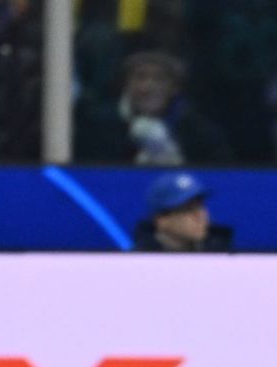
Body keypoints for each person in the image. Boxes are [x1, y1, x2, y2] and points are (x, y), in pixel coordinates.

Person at [75, 50, 233, 166]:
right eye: (140, 77)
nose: (147, 87)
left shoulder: (198, 131)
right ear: (126, 83)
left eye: (159, 79)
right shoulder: (100, 126)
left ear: (174, 88)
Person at [133, 171, 233, 252]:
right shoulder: (136, 261)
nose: (200, 215)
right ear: (161, 220)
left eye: (201, 207)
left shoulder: (223, 255)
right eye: (188, 209)